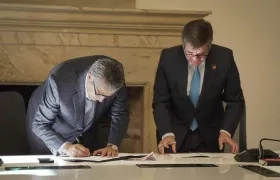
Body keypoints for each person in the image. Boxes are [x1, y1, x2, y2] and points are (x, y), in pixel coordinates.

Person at [152, 19, 245, 154]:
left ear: (209, 46)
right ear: (184, 45)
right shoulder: (168, 58)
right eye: (189, 53)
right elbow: (160, 101)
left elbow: (235, 100)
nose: (195, 60)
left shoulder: (224, 58)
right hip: (173, 135)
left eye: (201, 55)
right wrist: (166, 133)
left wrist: (226, 131)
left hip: (211, 135)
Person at [26, 55, 129, 157]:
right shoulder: (59, 82)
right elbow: (40, 124)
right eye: (99, 93)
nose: (102, 100)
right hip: (50, 130)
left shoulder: (115, 77)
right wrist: (66, 147)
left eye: (108, 97)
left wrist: (112, 145)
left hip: (85, 130)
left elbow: (120, 113)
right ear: (89, 77)